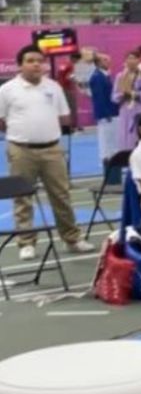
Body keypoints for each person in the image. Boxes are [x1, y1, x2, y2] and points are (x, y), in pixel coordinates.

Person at [0, 45, 95, 261]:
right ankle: (26, 242)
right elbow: (1, 120)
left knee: (61, 195)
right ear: (20, 65)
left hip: (52, 149)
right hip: (22, 150)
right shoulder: (7, 90)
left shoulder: (53, 87)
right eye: (30, 60)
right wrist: (22, 133)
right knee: (22, 198)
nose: (36, 64)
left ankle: (72, 238)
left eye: (39, 61)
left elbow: (64, 118)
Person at [112, 49, 141, 151]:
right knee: (126, 140)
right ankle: (128, 160)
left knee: (140, 137)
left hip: (140, 112)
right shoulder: (120, 76)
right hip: (125, 113)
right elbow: (114, 96)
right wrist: (122, 96)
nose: (131, 61)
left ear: (139, 60)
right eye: (129, 58)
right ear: (125, 61)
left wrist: (135, 95)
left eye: (134, 58)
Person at [89, 52, 120, 163]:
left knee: (112, 142)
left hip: (112, 113)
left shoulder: (105, 75)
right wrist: (106, 114)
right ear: (98, 63)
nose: (108, 61)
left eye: (108, 59)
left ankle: (112, 161)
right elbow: (99, 98)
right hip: (107, 115)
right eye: (104, 60)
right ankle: (108, 163)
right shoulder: (97, 77)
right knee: (107, 142)